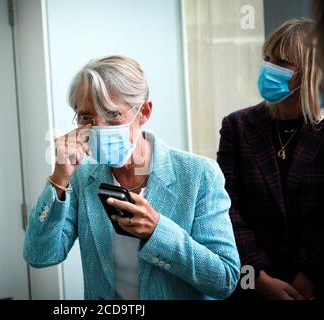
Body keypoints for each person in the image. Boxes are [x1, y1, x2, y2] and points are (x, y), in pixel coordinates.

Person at [24, 55, 240, 300]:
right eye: (86, 117)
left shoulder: (199, 175)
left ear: (144, 112)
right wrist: (59, 177)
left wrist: (157, 231)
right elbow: (39, 256)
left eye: (112, 114)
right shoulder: (82, 178)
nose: (99, 128)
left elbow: (224, 279)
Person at [218, 19, 323, 300]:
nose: (269, 67)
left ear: (311, 71)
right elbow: (227, 206)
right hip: (254, 283)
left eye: (283, 62)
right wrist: (259, 277)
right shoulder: (236, 126)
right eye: (267, 58)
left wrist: (309, 274)